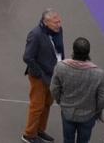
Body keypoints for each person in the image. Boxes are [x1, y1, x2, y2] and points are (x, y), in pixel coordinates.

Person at [51, 37, 104, 143]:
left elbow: (54, 89)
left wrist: (61, 102)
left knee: (68, 140)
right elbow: (103, 99)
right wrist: (97, 111)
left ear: (73, 50)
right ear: (88, 52)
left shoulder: (60, 67)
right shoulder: (98, 74)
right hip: (88, 116)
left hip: (67, 112)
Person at [23, 9, 66, 143]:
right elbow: (28, 57)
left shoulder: (58, 31)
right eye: (55, 22)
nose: (59, 24)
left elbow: (59, 50)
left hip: (54, 75)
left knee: (47, 103)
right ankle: (29, 135)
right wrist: (40, 74)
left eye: (59, 21)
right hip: (39, 77)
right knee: (37, 106)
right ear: (45, 22)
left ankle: (40, 130)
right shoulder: (35, 35)